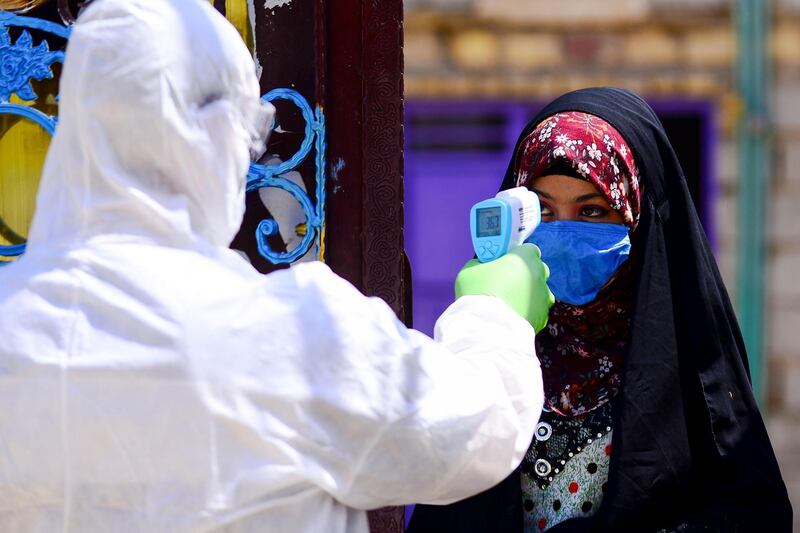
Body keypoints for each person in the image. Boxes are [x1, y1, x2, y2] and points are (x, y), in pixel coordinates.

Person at [0, 1, 556, 531]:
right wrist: (495, 312)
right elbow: (471, 431)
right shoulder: (291, 336)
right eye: (250, 132)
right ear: (213, 132)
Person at [408, 88, 792, 533]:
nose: (563, 234)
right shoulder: (493, 348)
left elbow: (751, 516)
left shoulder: (689, 369)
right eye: (544, 212)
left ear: (638, 216)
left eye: (592, 211)